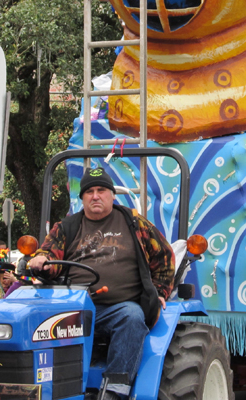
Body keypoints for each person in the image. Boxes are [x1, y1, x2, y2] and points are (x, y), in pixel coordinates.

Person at [27, 167, 175, 400]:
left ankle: (116, 389)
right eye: (89, 192)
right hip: (75, 307)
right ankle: (42, 386)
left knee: (132, 316)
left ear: (112, 195)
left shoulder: (133, 222)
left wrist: (159, 291)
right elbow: (50, 255)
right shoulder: (67, 227)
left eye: (101, 190)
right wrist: (43, 260)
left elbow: (164, 255)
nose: (95, 196)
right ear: (82, 197)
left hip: (118, 308)